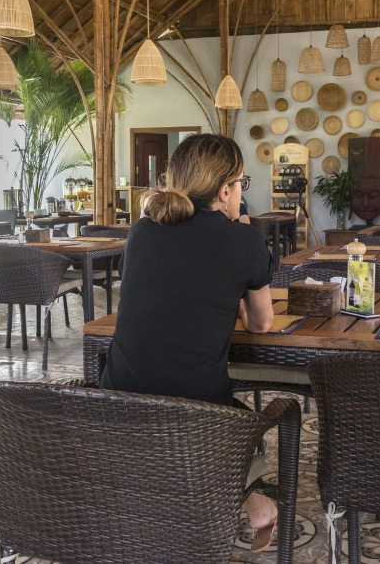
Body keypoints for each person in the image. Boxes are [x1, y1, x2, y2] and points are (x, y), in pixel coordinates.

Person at [99, 134, 278, 550]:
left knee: (190, 401)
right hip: (197, 415)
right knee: (234, 419)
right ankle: (256, 506)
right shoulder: (244, 239)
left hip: (117, 403)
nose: (241, 193)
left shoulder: (141, 232)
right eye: (241, 183)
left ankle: (166, 504)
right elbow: (261, 323)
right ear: (225, 191)